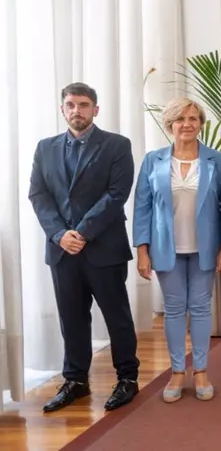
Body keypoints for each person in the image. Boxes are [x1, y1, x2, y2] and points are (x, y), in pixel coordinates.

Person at [28, 82, 140, 412]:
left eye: (84, 104)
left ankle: (127, 379)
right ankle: (75, 381)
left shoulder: (117, 145)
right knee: (72, 319)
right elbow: (39, 195)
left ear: (96, 109)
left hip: (104, 247)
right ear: (63, 110)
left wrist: (82, 232)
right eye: (71, 104)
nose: (77, 110)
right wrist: (60, 234)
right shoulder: (45, 148)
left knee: (116, 317)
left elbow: (117, 193)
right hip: (62, 251)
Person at [132, 97, 221, 402]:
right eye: (180, 119)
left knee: (200, 308)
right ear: (170, 124)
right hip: (165, 249)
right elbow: (142, 207)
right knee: (174, 309)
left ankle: (200, 371)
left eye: (193, 118)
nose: (187, 124)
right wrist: (142, 250)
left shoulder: (218, 160)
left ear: (201, 124)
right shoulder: (153, 160)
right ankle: (176, 372)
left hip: (206, 248)